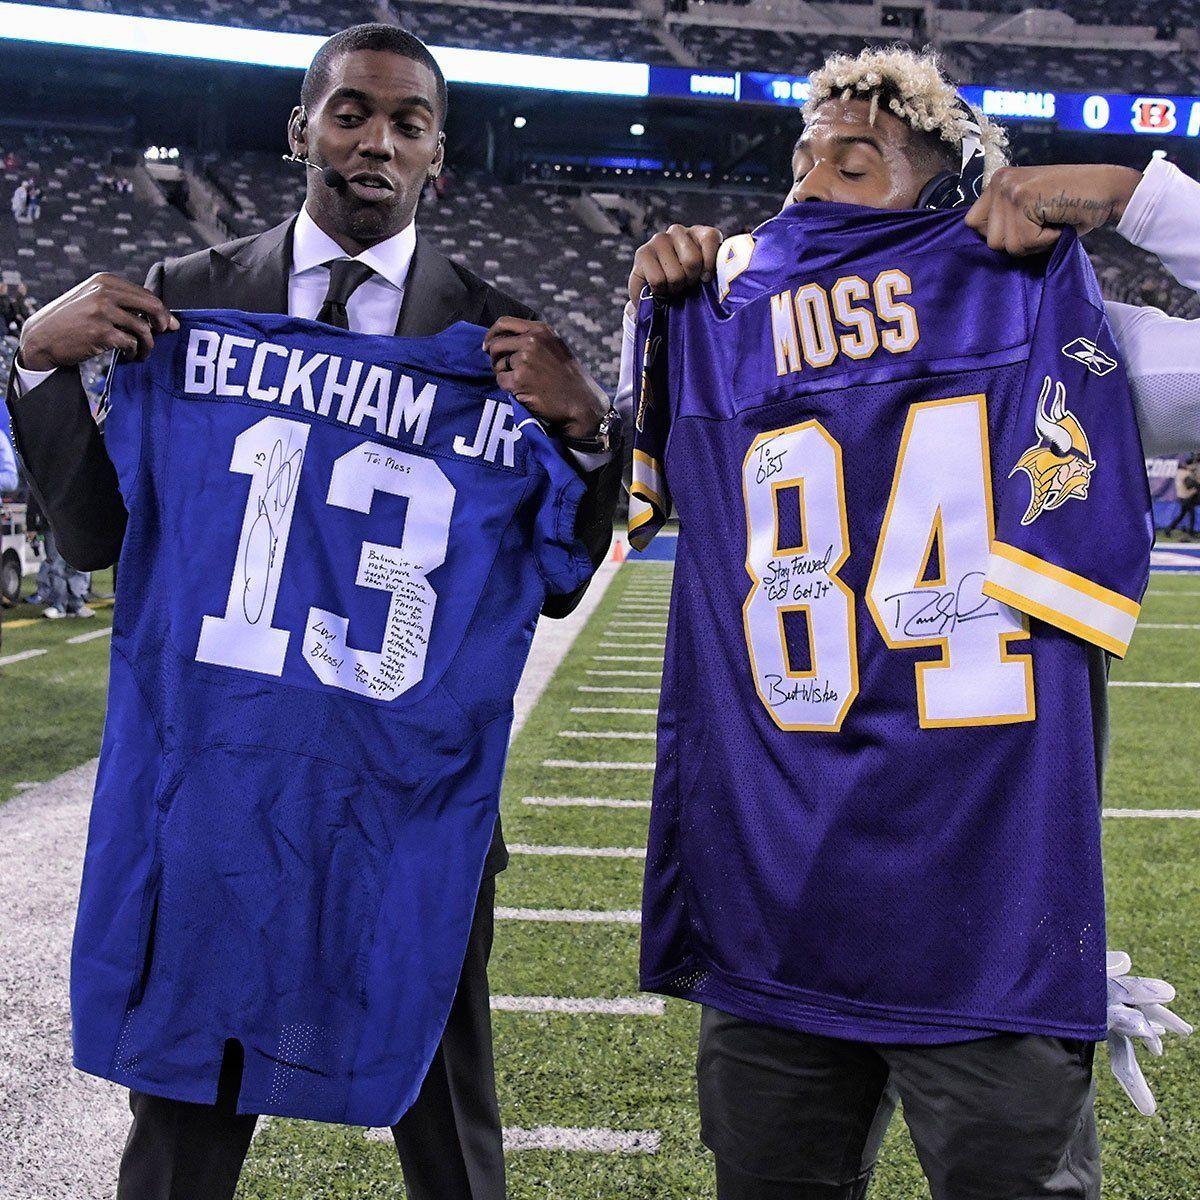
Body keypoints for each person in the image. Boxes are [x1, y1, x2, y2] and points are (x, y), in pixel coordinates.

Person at [6, 24, 621, 1200]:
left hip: (406, 795)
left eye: (407, 122)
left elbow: (556, 580)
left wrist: (589, 436)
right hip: (224, 788)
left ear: (438, 155)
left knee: (447, 1130)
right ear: (303, 130)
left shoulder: (496, 334)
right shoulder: (184, 301)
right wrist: (36, 363)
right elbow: (94, 540)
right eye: (350, 114)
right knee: (185, 1120)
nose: (375, 142)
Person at [620, 46, 1192, 1200]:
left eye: (855, 160)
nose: (808, 183)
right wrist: (641, 314)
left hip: (986, 929)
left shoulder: (1074, 331)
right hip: (777, 919)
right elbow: (592, 505)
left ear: (951, 193)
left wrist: (1139, 193)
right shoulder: (719, 331)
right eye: (800, 158)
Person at [1166, 453, 1200, 538]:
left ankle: (1169, 529)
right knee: (1190, 515)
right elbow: (1190, 486)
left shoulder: (1180, 472)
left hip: (1182, 497)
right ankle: (1190, 533)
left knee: (1182, 515)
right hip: (1186, 497)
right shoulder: (1187, 474)